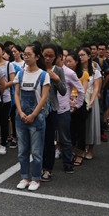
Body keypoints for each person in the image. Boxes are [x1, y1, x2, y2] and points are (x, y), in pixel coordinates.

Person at [13, 44, 50, 191]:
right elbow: (16, 94)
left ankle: (36, 178)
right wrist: (20, 111)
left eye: (29, 54)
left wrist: (33, 114)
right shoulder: (20, 74)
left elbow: (44, 97)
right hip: (21, 116)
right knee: (22, 150)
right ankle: (24, 177)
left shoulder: (44, 75)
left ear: (37, 56)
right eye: (25, 54)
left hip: (37, 117)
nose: (26, 57)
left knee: (36, 151)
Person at [41, 44, 66, 182]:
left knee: (50, 140)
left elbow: (63, 91)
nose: (48, 58)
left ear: (56, 57)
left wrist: (56, 79)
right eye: (45, 55)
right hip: (38, 109)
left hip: (52, 109)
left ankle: (48, 169)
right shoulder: (38, 69)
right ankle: (39, 166)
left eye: (51, 56)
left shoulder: (59, 70)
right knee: (38, 140)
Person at [65, 50, 89, 171]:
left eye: (70, 61)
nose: (68, 64)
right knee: (70, 130)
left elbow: (82, 91)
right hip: (67, 103)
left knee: (80, 130)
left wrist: (76, 104)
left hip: (79, 104)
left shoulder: (84, 74)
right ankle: (71, 152)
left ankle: (80, 153)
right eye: (66, 61)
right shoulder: (65, 73)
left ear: (76, 62)